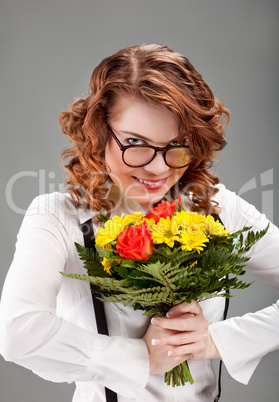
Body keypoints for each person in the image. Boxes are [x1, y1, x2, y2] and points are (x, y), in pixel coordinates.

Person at [0, 44, 278, 402]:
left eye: (176, 145)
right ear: (99, 135)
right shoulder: (57, 217)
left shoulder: (217, 208)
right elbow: (17, 332)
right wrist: (138, 358)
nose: (158, 168)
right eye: (135, 143)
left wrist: (217, 341)